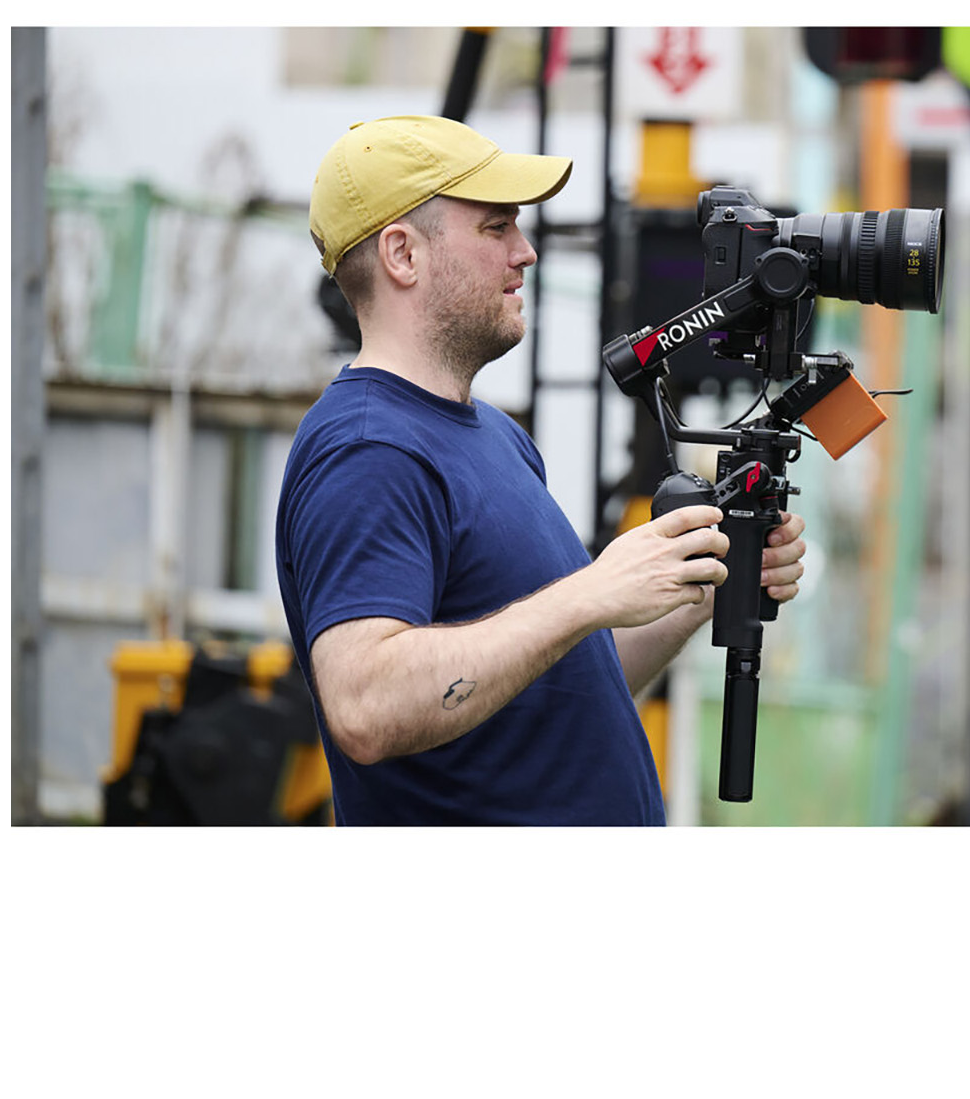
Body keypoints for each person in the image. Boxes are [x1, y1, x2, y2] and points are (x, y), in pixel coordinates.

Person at [275, 114, 806, 825]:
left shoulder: (495, 436)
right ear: (402, 254)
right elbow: (366, 708)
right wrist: (590, 592)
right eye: (496, 227)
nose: (525, 252)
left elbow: (567, 680)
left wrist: (704, 582)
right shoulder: (370, 451)